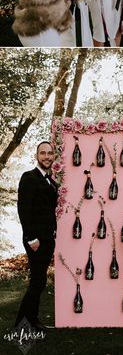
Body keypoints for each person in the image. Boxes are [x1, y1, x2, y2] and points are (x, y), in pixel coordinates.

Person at [15, 141, 58, 330]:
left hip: (48, 239)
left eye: (50, 153)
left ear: (54, 156)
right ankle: (22, 324)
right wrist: (31, 238)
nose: (46, 156)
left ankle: (32, 320)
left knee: (39, 282)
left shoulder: (50, 181)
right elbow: (24, 209)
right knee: (37, 282)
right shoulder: (29, 177)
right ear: (36, 156)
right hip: (36, 240)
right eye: (43, 153)